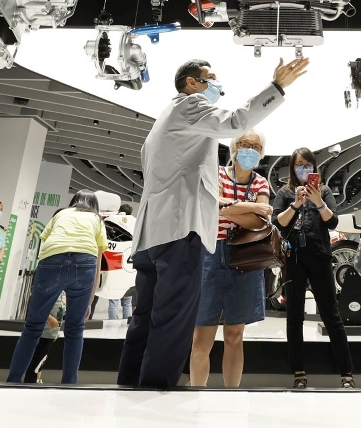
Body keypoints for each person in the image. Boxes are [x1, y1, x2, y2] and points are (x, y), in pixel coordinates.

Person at [117, 56, 309, 389]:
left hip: (152, 235)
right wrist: (277, 87)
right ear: (192, 83)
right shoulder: (190, 105)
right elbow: (235, 122)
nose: (217, 84)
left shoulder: (162, 122)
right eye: (211, 77)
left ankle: (129, 386)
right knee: (173, 319)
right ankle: (156, 390)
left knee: (145, 316)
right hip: (179, 232)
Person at [190, 131, 272, 388]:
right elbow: (210, 205)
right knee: (201, 336)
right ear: (235, 146)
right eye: (245, 144)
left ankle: (232, 394)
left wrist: (225, 206)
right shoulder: (216, 174)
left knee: (235, 334)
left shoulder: (261, 183)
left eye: (255, 146)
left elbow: (258, 223)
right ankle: (197, 392)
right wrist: (251, 206)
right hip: (210, 254)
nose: (249, 149)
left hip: (245, 258)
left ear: (262, 152)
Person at [272, 146, 355, 388]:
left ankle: (347, 374)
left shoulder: (324, 191)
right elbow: (278, 222)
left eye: (308, 165)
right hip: (293, 259)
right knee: (294, 316)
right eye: (299, 165)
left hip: (320, 257)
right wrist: (295, 205)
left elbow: (332, 222)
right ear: (292, 168)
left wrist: (318, 202)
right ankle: (298, 373)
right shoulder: (285, 192)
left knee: (331, 315)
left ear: (314, 167)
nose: (304, 169)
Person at [7, 190, 106, 385]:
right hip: (85, 262)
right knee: (75, 329)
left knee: (33, 327)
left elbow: (46, 243)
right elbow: (98, 261)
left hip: (52, 261)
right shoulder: (96, 219)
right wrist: (91, 299)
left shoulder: (61, 214)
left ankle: (13, 380)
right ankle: (69, 383)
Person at [107, 203, 136, 320]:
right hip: (129, 268)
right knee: (127, 302)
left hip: (115, 265)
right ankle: (126, 325)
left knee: (113, 300)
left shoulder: (114, 223)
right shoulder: (134, 224)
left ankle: (112, 325)